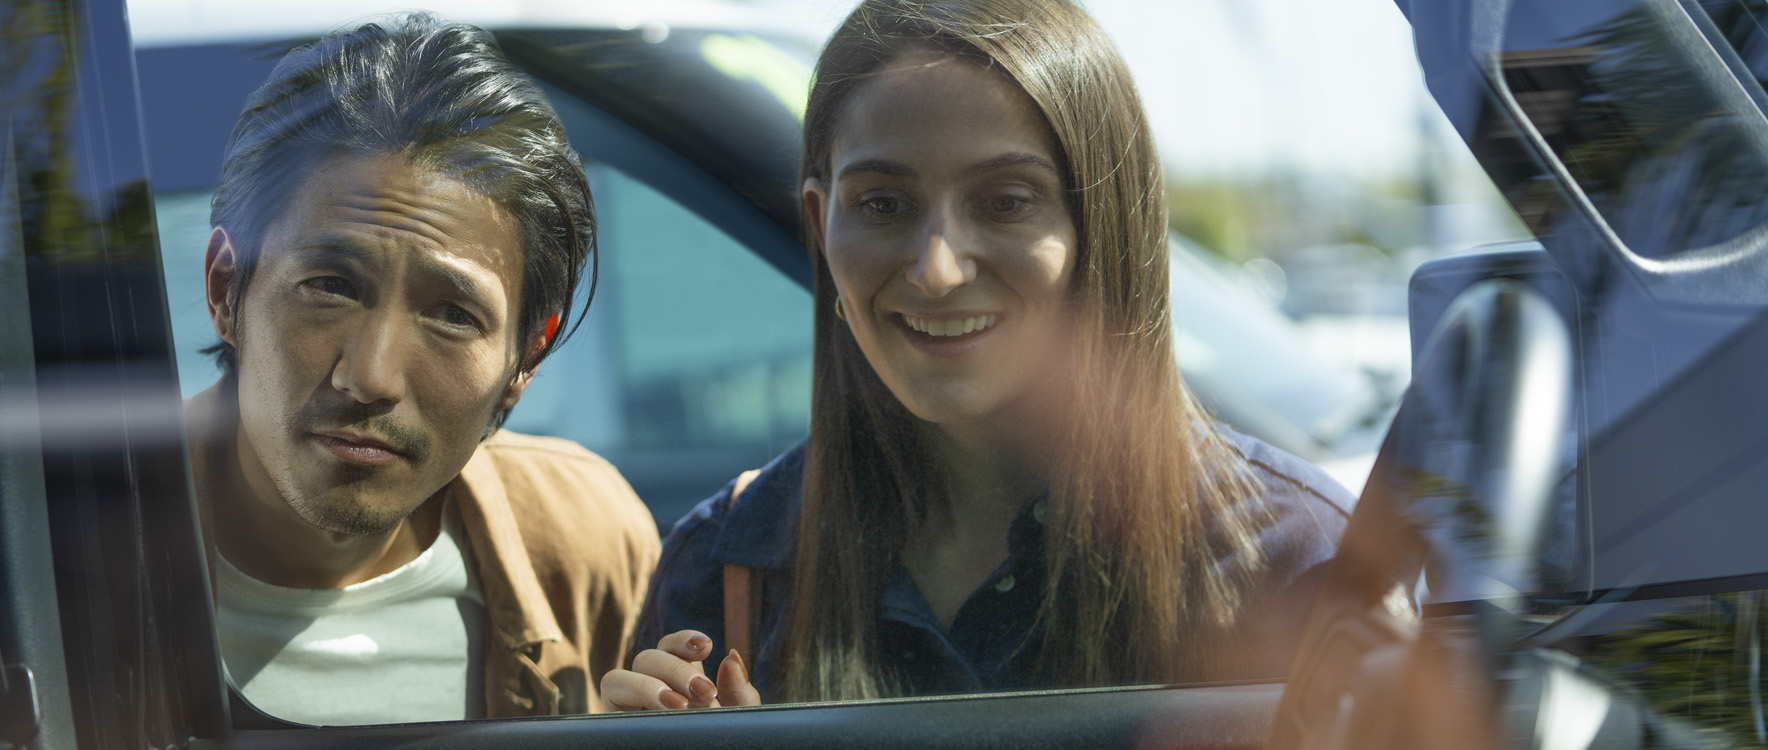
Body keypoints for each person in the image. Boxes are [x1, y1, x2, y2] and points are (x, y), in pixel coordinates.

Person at [601, 0, 1353, 711]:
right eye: (884, 205)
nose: (937, 268)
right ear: (819, 221)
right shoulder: (725, 570)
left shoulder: (1294, 561)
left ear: (1105, 226)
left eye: (1007, 201)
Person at [182, 13, 659, 724]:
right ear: (226, 289)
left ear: (526, 359)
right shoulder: (50, 557)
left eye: (451, 315)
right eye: (331, 286)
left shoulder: (581, 541)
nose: (372, 376)